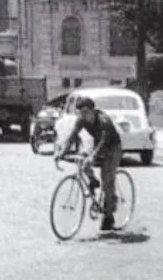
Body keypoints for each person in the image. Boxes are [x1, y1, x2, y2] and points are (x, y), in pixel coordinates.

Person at [54, 97, 122, 231]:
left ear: (93, 110)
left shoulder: (103, 120)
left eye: (85, 112)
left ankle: (109, 214)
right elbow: (72, 137)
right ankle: (93, 181)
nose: (83, 115)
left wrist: (93, 156)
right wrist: (61, 153)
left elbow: (103, 141)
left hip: (112, 147)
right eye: (80, 112)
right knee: (83, 162)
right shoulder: (82, 120)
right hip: (97, 145)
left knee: (107, 179)